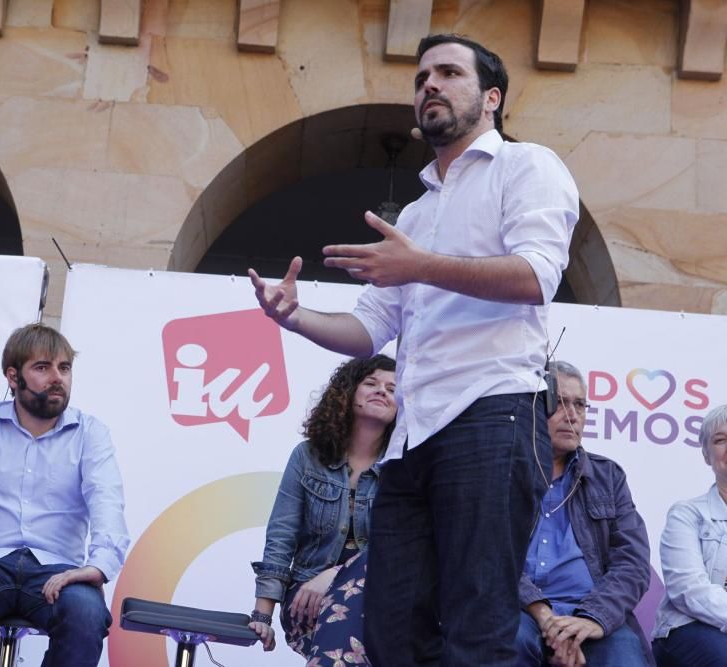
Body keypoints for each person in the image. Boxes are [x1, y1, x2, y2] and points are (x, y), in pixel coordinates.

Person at [248, 33, 579, 666]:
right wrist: (295, 318)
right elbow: (369, 331)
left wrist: (419, 264)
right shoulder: (420, 214)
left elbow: (538, 275)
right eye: (422, 75)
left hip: (493, 411)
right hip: (414, 435)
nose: (429, 83)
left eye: (448, 73)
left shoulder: (527, 165)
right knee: (393, 630)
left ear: (491, 97)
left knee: (477, 625)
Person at [0, 323, 130, 667]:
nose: (57, 377)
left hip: (59, 569)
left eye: (64, 368)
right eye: (42, 367)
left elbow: (106, 500)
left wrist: (98, 566)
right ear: (12, 376)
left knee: (85, 611)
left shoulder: (90, 432)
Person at [249, 355, 396, 665]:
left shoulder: (407, 465)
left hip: (384, 595)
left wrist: (336, 574)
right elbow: (281, 535)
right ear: (347, 393)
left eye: (392, 388)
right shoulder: (308, 457)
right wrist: (262, 614)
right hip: (308, 598)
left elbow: (403, 546)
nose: (382, 391)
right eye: (371, 383)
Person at [516, 361, 653, 666]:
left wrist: (591, 620)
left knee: (624, 660)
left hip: (590, 610)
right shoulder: (504, 472)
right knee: (507, 642)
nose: (572, 415)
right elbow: (489, 554)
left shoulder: (607, 476)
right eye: (560, 403)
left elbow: (632, 563)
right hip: (520, 609)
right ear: (533, 408)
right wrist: (543, 613)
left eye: (579, 404)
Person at [650, 404, 727, 666]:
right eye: (720, 440)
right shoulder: (686, 514)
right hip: (687, 630)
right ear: (707, 454)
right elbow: (689, 592)